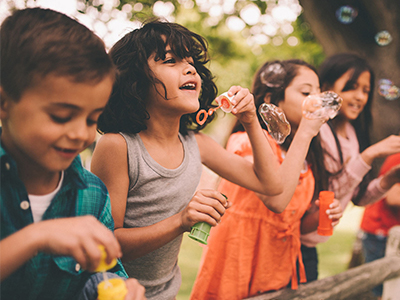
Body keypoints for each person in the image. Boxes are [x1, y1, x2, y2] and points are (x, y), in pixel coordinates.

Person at [90, 20, 291, 300]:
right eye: (170, 60)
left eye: (191, 61)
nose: (190, 68)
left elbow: (270, 184)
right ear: (135, 80)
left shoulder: (196, 144)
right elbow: (107, 242)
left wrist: (249, 120)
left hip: (167, 293)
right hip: (117, 294)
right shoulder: (118, 146)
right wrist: (181, 220)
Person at [0, 8, 145, 300]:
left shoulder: (92, 194)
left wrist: (121, 286)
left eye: (92, 119)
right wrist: (35, 238)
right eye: (61, 116)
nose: (82, 134)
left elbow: (103, 270)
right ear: (4, 103)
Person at [189, 59, 343, 300]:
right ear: (272, 100)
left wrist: (320, 217)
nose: (318, 99)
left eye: (319, 91)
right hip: (238, 262)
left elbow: (291, 223)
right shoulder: (249, 142)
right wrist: (306, 132)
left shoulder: (303, 158)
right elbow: (276, 201)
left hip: (278, 269)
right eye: (306, 91)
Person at [300, 53, 400, 282]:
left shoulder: (355, 135)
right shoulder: (317, 132)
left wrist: (389, 179)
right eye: (351, 87)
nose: (359, 97)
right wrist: (367, 156)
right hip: (294, 239)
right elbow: (328, 193)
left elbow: (358, 196)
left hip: (310, 247)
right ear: (325, 87)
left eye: (365, 90)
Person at [360, 153, 400, 299]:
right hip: (380, 232)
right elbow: (393, 197)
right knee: (383, 291)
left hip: (393, 233)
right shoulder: (397, 158)